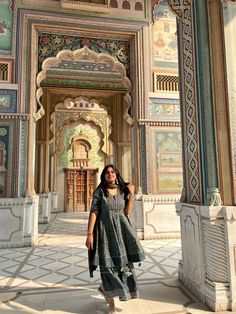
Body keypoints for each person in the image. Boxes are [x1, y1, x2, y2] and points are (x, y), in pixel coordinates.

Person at [86, 164, 145, 313]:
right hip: (105, 233)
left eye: (112, 172)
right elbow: (94, 212)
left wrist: (131, 194)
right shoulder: (100, 192)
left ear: (116, 174)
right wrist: (90, 234)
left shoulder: (122, 191)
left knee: (122, 264)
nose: (110, 174)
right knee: (107, 266)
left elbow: (127, 212)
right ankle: (111, 301)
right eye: (107, 172)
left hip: (121, 231)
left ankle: (104, 289)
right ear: (104, 176)